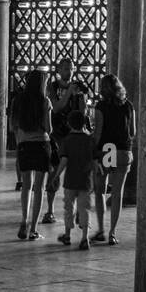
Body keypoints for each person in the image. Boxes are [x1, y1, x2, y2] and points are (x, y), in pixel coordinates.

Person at [42, 58, 91, 224]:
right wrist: (69, 92)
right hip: (57, 134)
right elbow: (55, 107)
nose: (68, 71)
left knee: (75, 172)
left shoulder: (79, 86)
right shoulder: (52, 87)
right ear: (58, 70)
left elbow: (83, 112)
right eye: (65, 68)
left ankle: (77, 211)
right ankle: (49, 210)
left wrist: (81, 99)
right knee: (54, 171)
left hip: (74, 134)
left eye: (70, 68)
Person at [94, 74, 135, 245]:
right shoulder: (128, 105)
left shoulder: (101, 106)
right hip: (124, 150)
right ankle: (112, 232)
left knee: (100, 191)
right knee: (117, 193)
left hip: (106, 150)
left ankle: (101, 229)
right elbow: (133, 132)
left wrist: (92, 152)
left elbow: (98, 133)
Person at [11, 69, 51, 240]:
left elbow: (13, 126)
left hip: (24, 145)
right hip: (41, 145)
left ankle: (23, 220)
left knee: (26, 186)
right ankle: (33, 228)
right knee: (39, 188)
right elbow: (49, 129)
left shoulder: (18, 100)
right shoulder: (45, 101)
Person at [53, 109, 97, 250]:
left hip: (70, 181)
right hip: (86, 181)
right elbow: (94, 161)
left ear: (69, 124)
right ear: (84, 123)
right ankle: (84, 238)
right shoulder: (90, 140)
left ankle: (67, 235)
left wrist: (56, 175)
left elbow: (64, 160)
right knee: (85, 209)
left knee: (68, 208)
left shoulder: (67, 141)